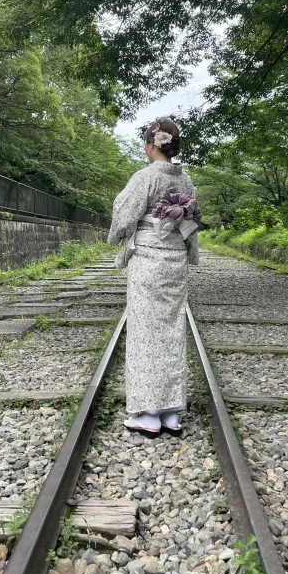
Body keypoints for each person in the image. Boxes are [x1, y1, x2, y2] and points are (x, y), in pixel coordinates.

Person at [107, 118, 200, 436]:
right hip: (174, 262)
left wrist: (116, 234)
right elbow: (190, 224)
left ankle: (148, 413)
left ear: (151, 145)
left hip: (148, 262)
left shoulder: (144, 177)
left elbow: (123, 216)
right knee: (173, 333)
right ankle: (171, 412)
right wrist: (191, 254)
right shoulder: (186, 181)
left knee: (146, 335)